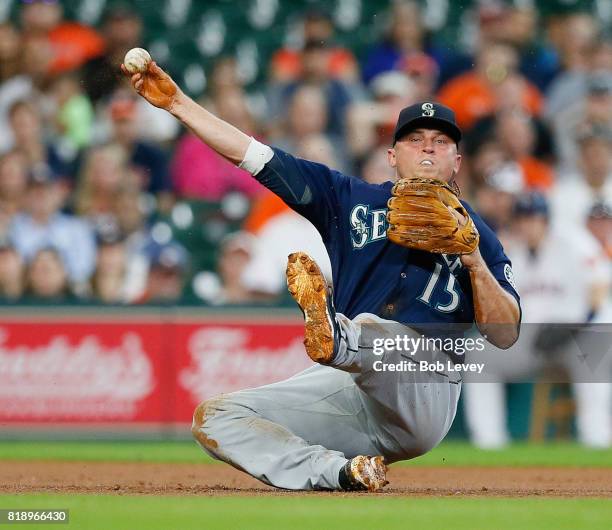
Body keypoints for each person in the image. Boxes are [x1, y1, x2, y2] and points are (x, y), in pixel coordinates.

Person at [123, 60, 520, 491]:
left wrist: (475, 262)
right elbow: (255, 155)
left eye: (440, 142)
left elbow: (505, 333)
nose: (427, 149)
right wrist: (180, 104)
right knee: (218, 417)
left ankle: (337, 335)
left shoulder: (480, 237)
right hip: (353, 390)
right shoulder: (348, 199)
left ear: (457, 161)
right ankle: (340, 472)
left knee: (369, 327)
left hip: (426, 382)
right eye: (415, 140)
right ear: (392, 155)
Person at [463, 192, 611, 448]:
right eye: (523, 218)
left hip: (580, 334)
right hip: (534, 338)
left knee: (594, 356)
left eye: (534, 217)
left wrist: (575, 327)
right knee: (479, 357)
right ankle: (489, 444)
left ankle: (597, 442)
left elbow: (598, 290)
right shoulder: (511, 252)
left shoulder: (574, 241)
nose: (528, 223)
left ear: (546, 220)